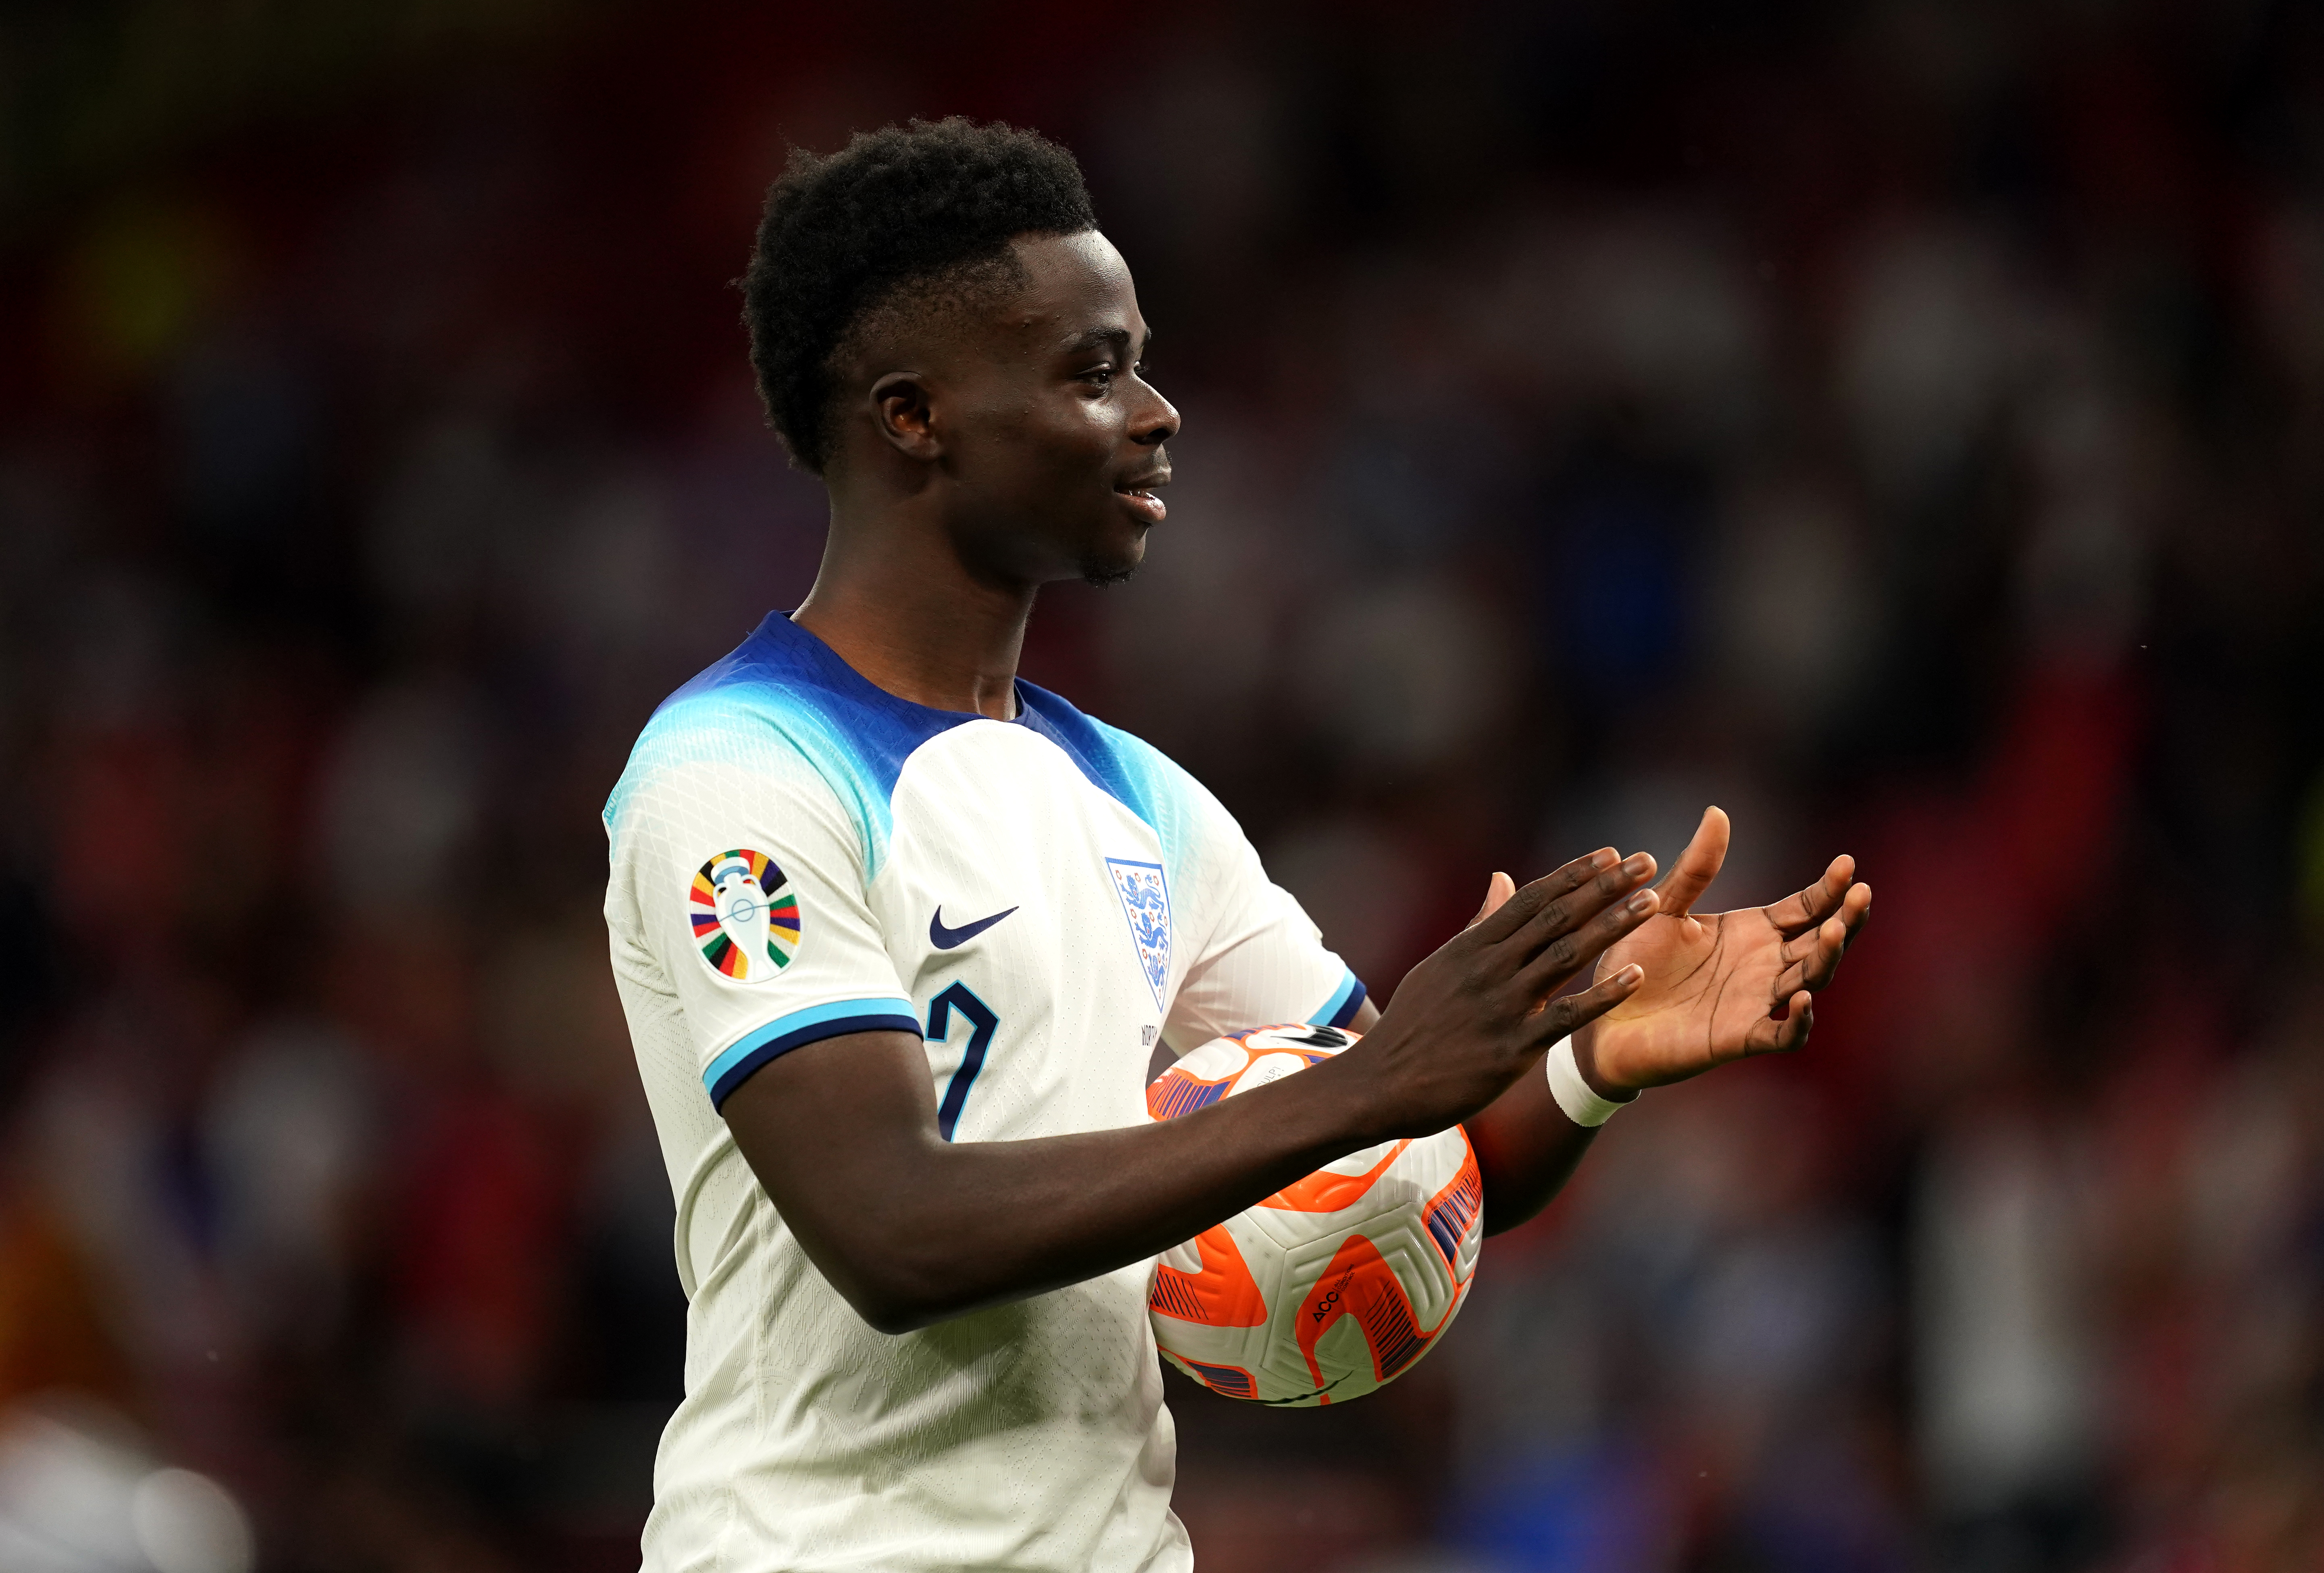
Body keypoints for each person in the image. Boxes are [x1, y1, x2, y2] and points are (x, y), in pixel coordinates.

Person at [602, 118, 1870, 1573]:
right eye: (1091, 373)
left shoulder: (1140, 798)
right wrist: (1374, 1086)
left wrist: (1585, 1063)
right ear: (913, 416)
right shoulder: (735, 775)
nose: (1156, 412)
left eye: (1139, 359)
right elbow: (892, 1233)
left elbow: (1414, 1159)